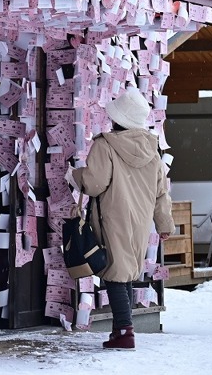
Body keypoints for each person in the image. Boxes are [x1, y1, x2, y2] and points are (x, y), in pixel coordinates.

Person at [71, 86, 173, 349]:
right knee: (125, 271)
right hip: (140, 221)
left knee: (115, 272)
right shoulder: (154, 152)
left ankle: (125, 332)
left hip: (112, 216)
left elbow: (93, 184)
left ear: (117, 119)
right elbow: (162, 193)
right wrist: (164, 224)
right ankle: (120, 330)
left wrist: (74, 175)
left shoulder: (106, 145)